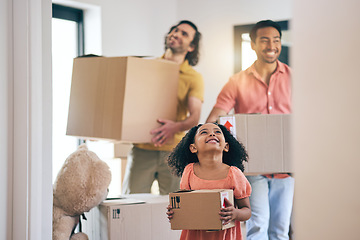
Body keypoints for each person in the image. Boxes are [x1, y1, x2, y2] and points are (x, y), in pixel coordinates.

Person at [206, 20, 294, 240]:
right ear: (253, 44)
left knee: (281, 230)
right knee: (258, 226)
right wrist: (210, 136)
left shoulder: (295, 78)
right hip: (253, 167)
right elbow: (216, 118)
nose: (271, 45)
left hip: (287, 169)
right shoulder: (237, 81)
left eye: (276, 40)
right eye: (264, 40)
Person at [122, 20, 204, 195]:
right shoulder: (146, 68)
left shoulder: (193, 77)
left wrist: (175, 127)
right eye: (175, 30)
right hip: (142, 148)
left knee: (176, 207)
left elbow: (195, 116)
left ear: (191, 47)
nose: (176, 34)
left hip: (174, 151)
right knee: (131, 203)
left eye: (184, 34)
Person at [167, 123, 252, 240]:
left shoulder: (234, 174)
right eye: (204, 132)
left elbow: (247, 211)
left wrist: (235, 213)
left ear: (226, 146)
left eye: (217, 132)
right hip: (195, 235)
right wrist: (176, 212)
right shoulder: (189, 171)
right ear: (193, 147)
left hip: (224, 236)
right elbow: (186, 205)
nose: (212, 134)